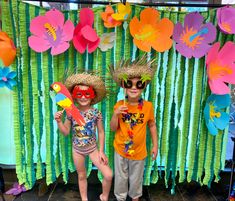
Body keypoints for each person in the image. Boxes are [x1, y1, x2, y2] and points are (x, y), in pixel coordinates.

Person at [54, 73, 112, 201]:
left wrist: (101, 151)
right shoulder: (71, 112)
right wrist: (59, 121)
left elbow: (101, 132)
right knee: (81, 175)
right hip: (77, 150)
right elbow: (65, 132)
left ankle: (104, 196)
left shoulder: (96, 113)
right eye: (79, 94)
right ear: (74, 96)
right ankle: (84, 199)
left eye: (87, 94)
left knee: (108, 175)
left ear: (93, 96)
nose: (83, 97)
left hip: (93, 149)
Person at [110, 58, 158, 201]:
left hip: (139, 151)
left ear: (143, 87)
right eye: (129, 83)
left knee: (136, 177)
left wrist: (155, 145)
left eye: (139, 84)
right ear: (124, 86)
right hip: (120, 149)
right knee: (120, 177)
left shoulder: (148, 106)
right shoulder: (119, 105)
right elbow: (113, 128)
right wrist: (115, 114)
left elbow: (152, 125)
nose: (134, 87)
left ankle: (135, 197)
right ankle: (120, 197)